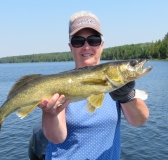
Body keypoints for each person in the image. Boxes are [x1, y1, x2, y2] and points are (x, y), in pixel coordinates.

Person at [37, 10, 149, 159]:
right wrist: (50, 113)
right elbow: (57, 138)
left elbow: (139, 120)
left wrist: (127, 96)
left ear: (102, 45)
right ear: (71, 47)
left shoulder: (117, 84)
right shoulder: (62, 84)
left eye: (93, 40)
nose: (86, 47)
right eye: (78, 41)